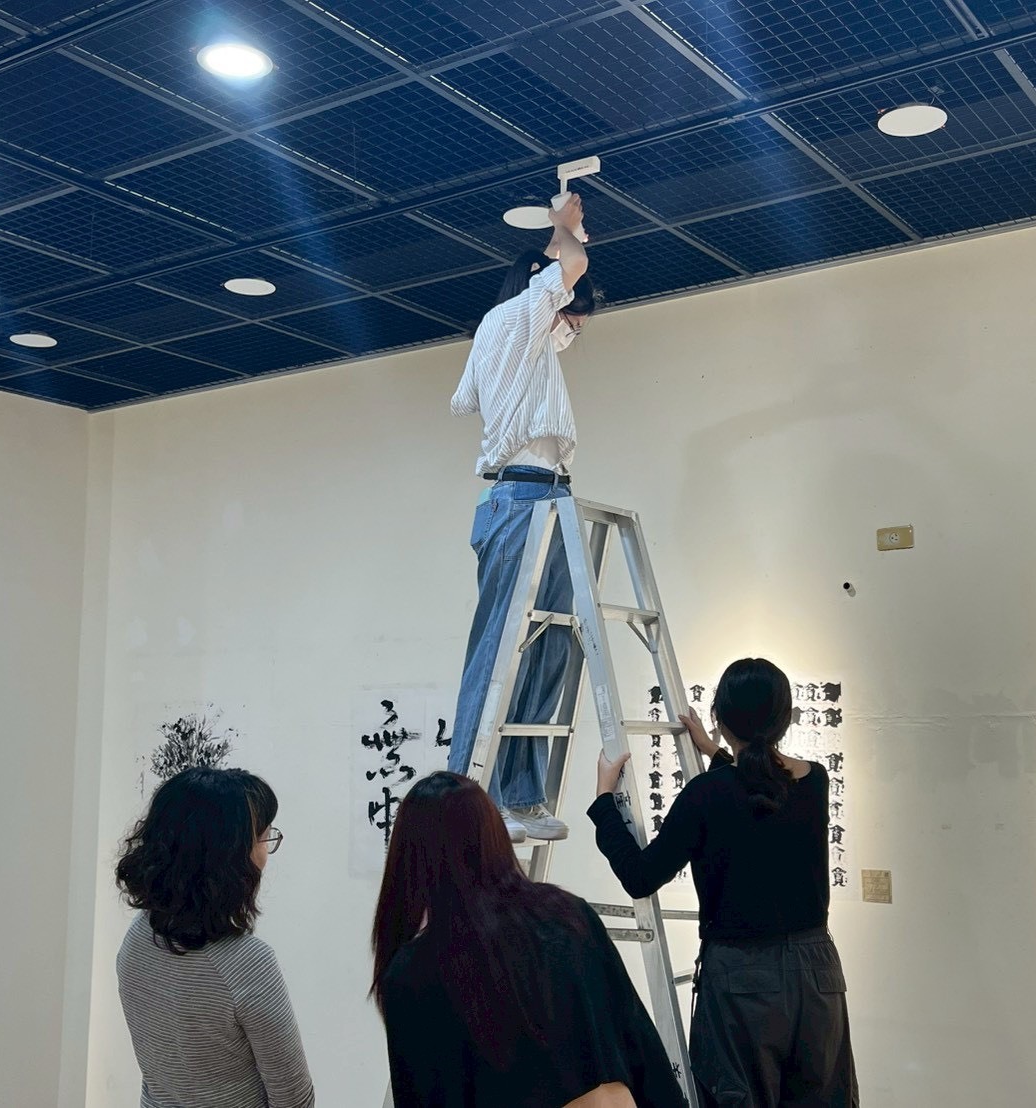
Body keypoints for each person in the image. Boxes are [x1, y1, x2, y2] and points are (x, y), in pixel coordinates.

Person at [590, 659, 859, 1108]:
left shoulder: (705, 794)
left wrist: (604, 802)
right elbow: (759, 791)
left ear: (719, 717)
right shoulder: (815, 781)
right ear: (785, 717)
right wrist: (716, 752)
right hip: (818, 972)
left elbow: (640, 877)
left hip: (741, 975)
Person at [371, 771, 685, 1108]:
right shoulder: (569, 915)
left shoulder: (414, 970)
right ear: (494, 836)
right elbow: (639, 1040)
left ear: (409, 856)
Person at [447, 192, 597, 843]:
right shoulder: (510, 320)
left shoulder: (525, 345)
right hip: (521, 498)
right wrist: (565, 227)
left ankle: (520, 795)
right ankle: (464, 799)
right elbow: (572, 265)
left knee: (551, 647)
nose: (574, 327)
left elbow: (568, 283)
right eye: (570, 313)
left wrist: (567, 241)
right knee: (498, 653)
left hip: (545, 496)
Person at [115, 767, 314, 1108]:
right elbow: (294, 1100)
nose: (265, 854)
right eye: (264, 838)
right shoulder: (248, 964)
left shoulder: (138, 936)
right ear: (230, 858)